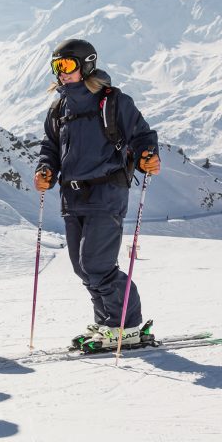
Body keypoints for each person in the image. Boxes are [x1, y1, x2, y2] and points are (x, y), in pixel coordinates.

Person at [34, 39, 160, 351]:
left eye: (67, 65)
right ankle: (107, 321)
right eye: (56, 67)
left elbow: (142, 135)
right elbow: (50, 146)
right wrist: (45, 169)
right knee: (81, 266)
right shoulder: (59, 108)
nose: (61, 73)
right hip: (72, 196)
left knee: (97, 264)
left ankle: (126, 325)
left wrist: (147, 154)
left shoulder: (113, 102)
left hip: (106, 192)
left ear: (86, 64)